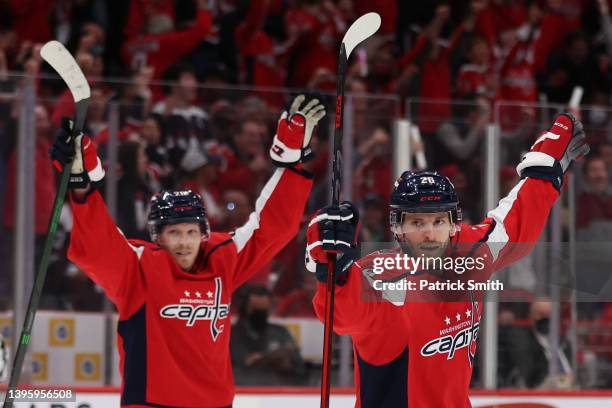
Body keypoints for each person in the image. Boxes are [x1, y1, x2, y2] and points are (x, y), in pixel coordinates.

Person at [50, 94, 325, 407]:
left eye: (191, 233)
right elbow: (97, 247)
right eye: (174, 233)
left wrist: (291, 161)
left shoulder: (223, 257)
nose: (183, 242)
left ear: (203, 233)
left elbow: (273, 228)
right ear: (159, 237)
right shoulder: (139, 268)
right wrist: (81, 184)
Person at [306, 113, 589, 407]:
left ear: (454, 223)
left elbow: (517, 221)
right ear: (398, 228)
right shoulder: (381, 277)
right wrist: (334, 272)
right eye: (417, 223)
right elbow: (345, 316)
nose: (429, 233)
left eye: (438, 221)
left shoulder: (472, 253)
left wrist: (547, 165)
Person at [230, 285, 306, 385]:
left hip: (281, 389)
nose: (260, 314)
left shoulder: (280, 332)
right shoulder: (232, 335)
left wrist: (286, 363)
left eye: (263, 310)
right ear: (245, 308)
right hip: (244, 391)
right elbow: (236, 367)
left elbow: (299, 366)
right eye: (255, 309)